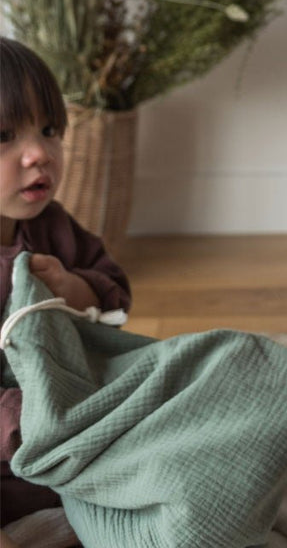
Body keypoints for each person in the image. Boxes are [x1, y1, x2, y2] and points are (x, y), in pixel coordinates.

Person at [1, 37, 132, 532]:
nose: (38, 153)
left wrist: (73, 287)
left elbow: (114, 290)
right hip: (21, 438)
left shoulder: (51, 227)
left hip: (72, 425)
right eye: (3, 136)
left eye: (50, 130)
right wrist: (26, 419)